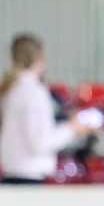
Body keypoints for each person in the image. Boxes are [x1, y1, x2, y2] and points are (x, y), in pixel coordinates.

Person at [0, 34, 91, 184]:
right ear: (41, 58)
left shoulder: (10, 90)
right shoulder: (34, 92)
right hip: (28, 178)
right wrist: (72, 129)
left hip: (11, 174)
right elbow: (40, 143)